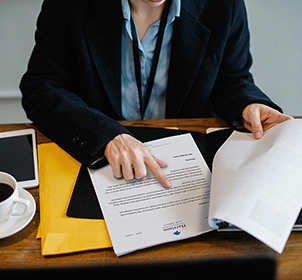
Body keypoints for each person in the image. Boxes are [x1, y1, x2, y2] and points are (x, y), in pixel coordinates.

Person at [20, 0, 292, 188]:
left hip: (188, 161)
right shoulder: (68, 5)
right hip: (102, 157)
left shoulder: (225, 5)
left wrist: (249, 103)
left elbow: (232, 79)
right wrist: (106, 135)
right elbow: (42, 88)